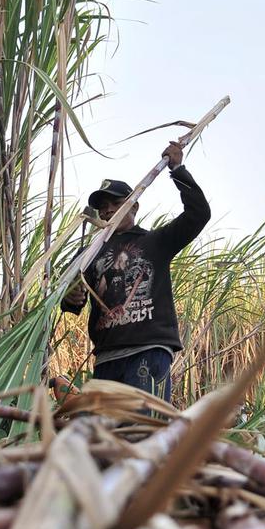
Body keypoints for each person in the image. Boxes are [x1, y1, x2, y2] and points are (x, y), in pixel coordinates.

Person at [60, 140, 211, 402]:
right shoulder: (89, 253)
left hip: (147, 352)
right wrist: (71, 297)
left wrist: (178, 169)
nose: (107, 210)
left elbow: (198, 214)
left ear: (134, 206)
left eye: (115, 203)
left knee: (141, 432)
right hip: (106, 359)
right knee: (105, 439)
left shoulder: (156, 241)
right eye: (103, 206)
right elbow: (73, 300)